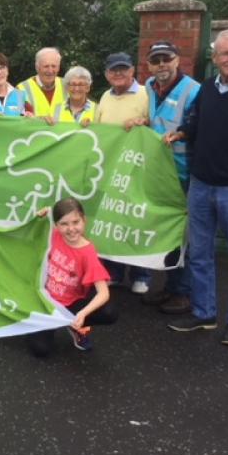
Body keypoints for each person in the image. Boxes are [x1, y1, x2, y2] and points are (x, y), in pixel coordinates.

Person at [165, 29, 228, 346]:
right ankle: (204, 313)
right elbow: (199, 122)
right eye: (225, 53)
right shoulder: (207, 89)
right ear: (215, 57)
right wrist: (182, 132)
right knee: (199, 255)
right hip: (201, 185)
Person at [137, 41, 199, 314]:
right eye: (156, 60)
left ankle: (183, 292)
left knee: (184, 234)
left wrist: (182, 133)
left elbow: (200, 125)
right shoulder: (150, 86)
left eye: (167, 58)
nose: (162, 64)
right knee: (167, 233)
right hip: (159, 170)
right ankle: (171, 287)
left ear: (177, 60)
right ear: (149, 64)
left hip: (184, 172)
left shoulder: (194, 90)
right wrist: (144, 124)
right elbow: (157, 119)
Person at [27, 198, 117, 357]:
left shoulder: (88, 253)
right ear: (56, 226)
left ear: (84, 221)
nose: (71, 229)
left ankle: (75, 325)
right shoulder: (54, 234)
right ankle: (43, 321)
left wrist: (81, 314)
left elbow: (103, 293)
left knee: (109, 312)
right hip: (45, 301)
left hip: (71, 303)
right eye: (64, 224)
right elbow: (33, 227)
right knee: (40, 350)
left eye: (76, 222)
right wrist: (40, 216)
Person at [93, 52, 151, 293]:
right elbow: (98, 130)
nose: (118, 74)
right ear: (106, 74)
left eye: (123, 69)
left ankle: (141, 274)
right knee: (112, 220)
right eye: (113, 70)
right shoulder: (105, 97)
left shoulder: (145, 94)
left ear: (132, 71)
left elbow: (153, 123)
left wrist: (143, 123)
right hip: (109, 170)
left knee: (135, 220)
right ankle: (115, 272)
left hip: (136, 168)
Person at [17, 47, 64, 117]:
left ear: (59, 67)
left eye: (54, 66)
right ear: (37, 67)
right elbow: (15, 119)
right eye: (46, 66)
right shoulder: (21, 89)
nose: (50, 71)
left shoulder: (69, 86)